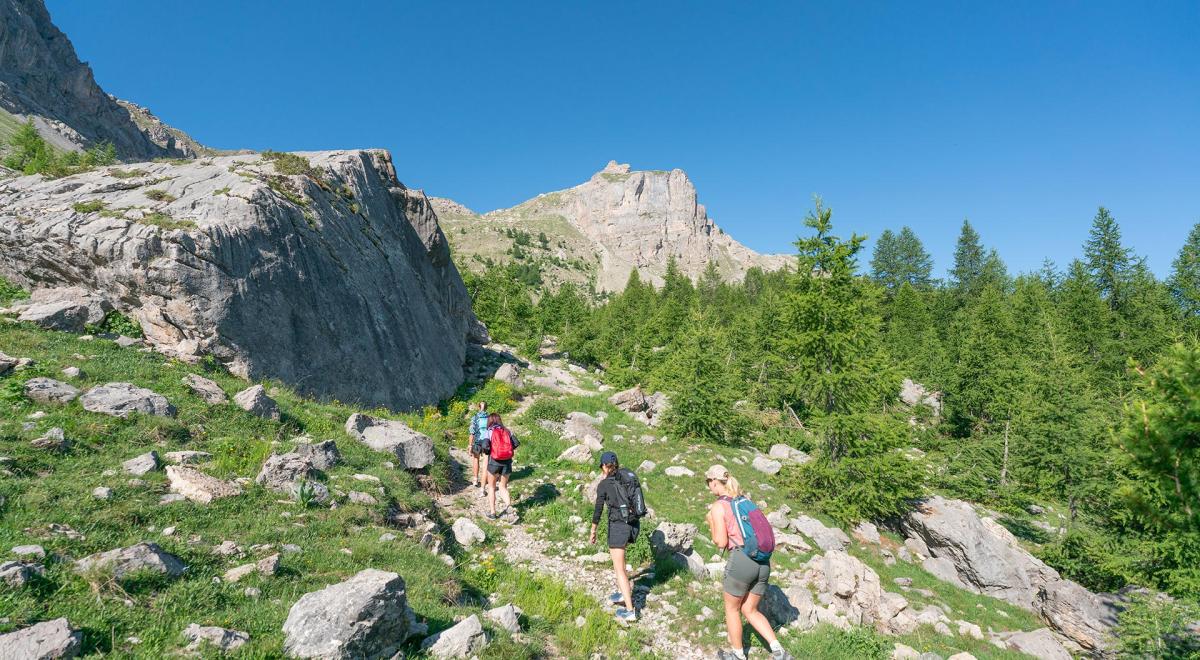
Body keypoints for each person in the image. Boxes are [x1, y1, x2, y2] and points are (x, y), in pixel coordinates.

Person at [704, 465, 793, 660]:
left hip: (742, 561)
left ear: (715, 482)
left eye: (708, 482)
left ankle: (737, 655)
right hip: (763, 563)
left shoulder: (719, 506)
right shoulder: (743, 500)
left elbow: (720, 541)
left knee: (732, 608)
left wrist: (711, 521)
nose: (709, 486)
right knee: (749, 609)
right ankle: (779, 651)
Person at [590, 451, 642, 624]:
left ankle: (630, 610)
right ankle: (622, 592)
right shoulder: (626, 477)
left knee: (619, 568)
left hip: (618, 527)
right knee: (621, 563)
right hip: (633, 525)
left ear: (604, 466)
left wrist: (593, 530)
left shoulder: (604, 485)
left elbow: (598, 509)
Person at [478, 412, 517, 519]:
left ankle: (493, 513)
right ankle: (509, 508)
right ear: (500, 420)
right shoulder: (507, 431)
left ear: (489, 421)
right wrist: (506, 451)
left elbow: (485, 446)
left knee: (491, 487)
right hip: (507, 463)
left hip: (494, 462)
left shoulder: (488, 431)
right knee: (503, 487)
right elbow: (516, 443)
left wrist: (491, 451)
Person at [467, 402, 489, 495]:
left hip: (477, 441)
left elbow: (472, 432)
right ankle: (485, 480)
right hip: (487, 442)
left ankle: (475, 479)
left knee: (476, 459)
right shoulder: (490, 417)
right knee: (485, 462)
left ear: (478, 407)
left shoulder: (475, 417)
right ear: (486, 407)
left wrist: (470, 445)